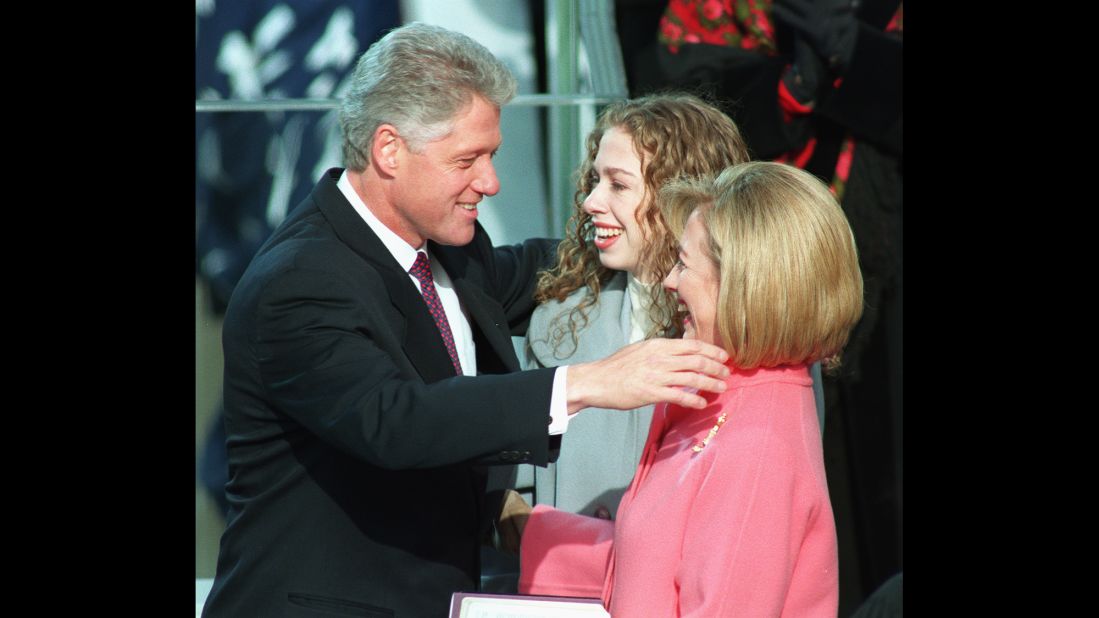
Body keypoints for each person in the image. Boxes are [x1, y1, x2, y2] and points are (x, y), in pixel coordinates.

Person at [200, 22, 732, 618]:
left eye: (493, 156)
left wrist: (676, 239)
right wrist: (586, 381)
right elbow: (396, 421)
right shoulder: (299, 282)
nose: (491, 182)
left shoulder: (452, 250)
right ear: (389, 150)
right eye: (467, 160)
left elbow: (546, 265)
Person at [518, 161, 864, 617]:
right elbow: (653, 568)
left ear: (745, 286)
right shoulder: (724, 396)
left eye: (683, 263)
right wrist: (533, 533)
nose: (669, 281)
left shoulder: (760, 446)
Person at [518, 94, 751, 520]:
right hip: (563, 578)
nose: (591, 202)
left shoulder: (756, 336)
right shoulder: (556, 322)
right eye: (595, 180)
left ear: (678, 196)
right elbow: (524, 476)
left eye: (618, 185)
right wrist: (508, 507)